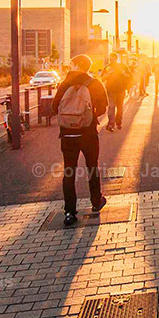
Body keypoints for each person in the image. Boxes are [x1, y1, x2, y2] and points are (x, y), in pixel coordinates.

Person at [51, 54, 108, 226]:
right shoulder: (95, 83)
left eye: (72, 64)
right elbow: (103, 107)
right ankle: (96, 201)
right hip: (88, 134)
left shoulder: (64, 84)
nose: (70, 67)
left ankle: (69, 212)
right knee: (92, 166)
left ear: (76, 65)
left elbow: (55, 107)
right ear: (88, 67)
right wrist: (88, 117)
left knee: (69, 171)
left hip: (68, 136)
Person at [102, 52, 129, 132]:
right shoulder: (107, 67)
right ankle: (111, 124)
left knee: (120, 107)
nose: (111, 60)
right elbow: (102, 78)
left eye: (112, 58)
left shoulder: (122, 66)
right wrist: (108, 74)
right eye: (110, 59)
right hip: (111, 90)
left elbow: (129, 75)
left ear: (116, 58)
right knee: (111, 107)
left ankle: (118, 122)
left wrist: (123, 73)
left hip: (121, 90)